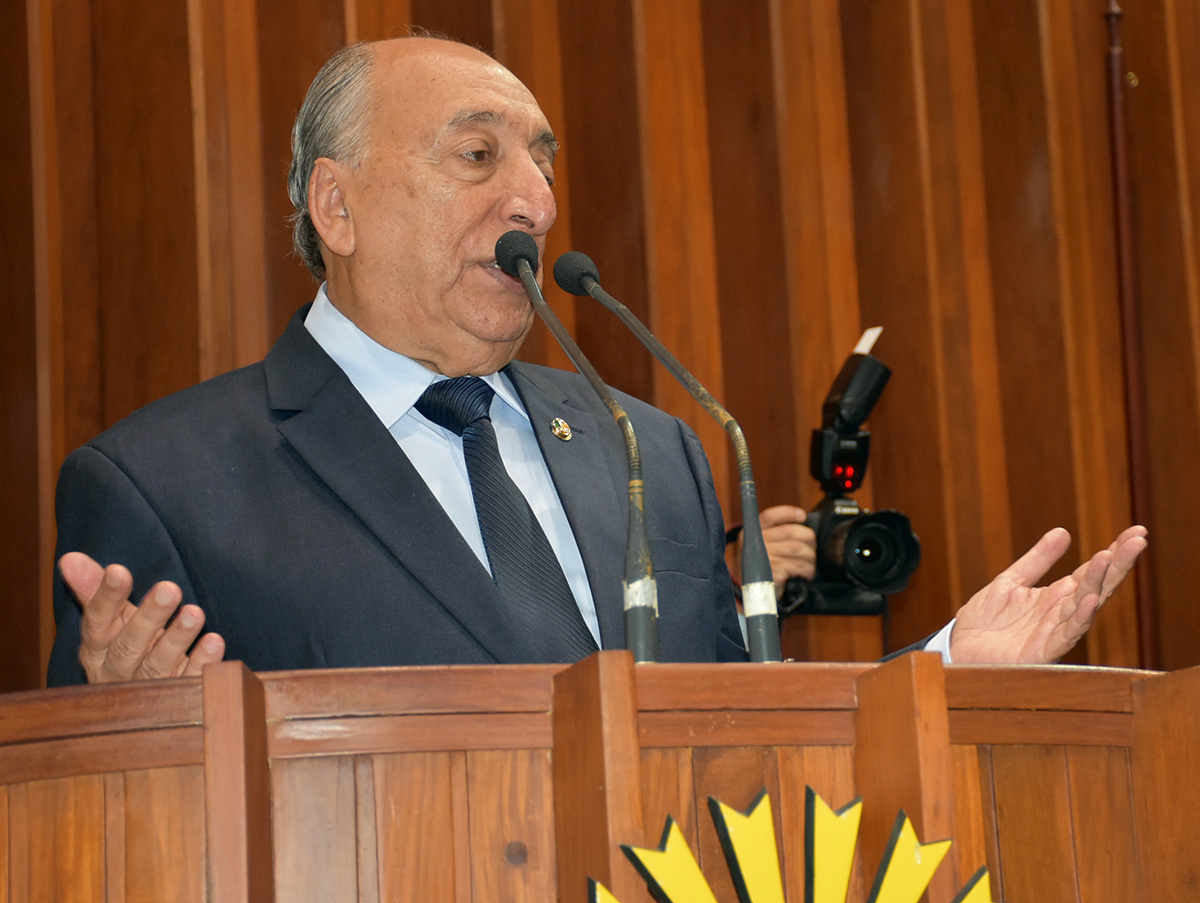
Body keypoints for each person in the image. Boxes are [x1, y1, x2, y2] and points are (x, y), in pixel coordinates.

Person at [49, 36, 1147, 685]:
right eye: (477, 155)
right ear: (336, 206)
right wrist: (132, 724)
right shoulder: (163, 485)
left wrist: (950, 669)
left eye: (541, 163)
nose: (532, 197)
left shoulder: (650, 449)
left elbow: (740, 732)